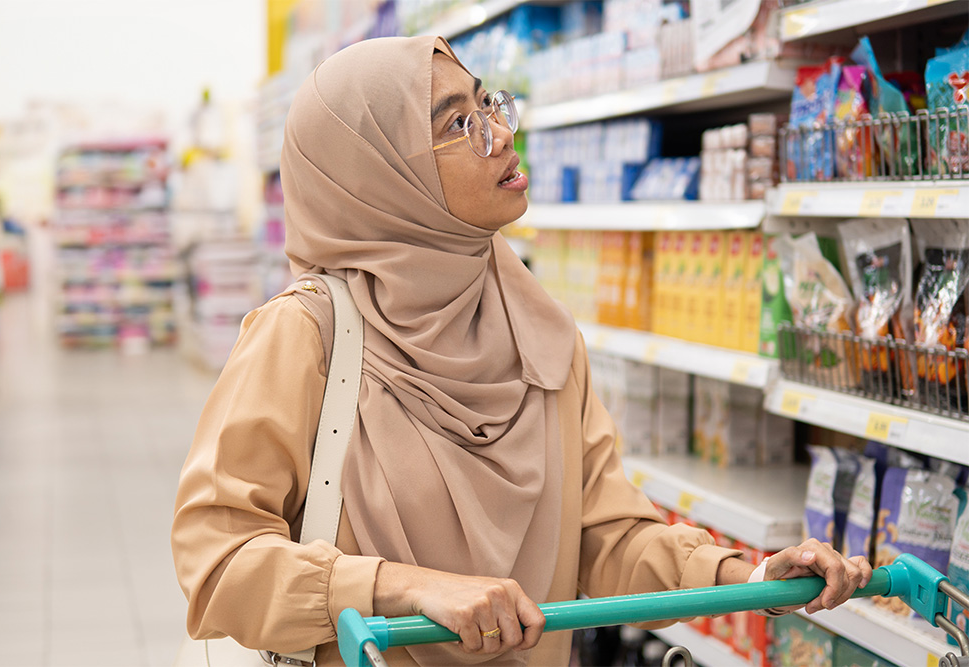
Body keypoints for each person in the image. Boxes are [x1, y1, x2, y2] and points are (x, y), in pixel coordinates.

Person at [171, 35, 871, 666]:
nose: (501, 134)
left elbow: (604, 536)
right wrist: (403, 589)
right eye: (457, 123)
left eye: (490, 105)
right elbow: (217, 562)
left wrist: (746, 579)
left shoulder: (542, 334)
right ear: (377, 173)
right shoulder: (306, 335)